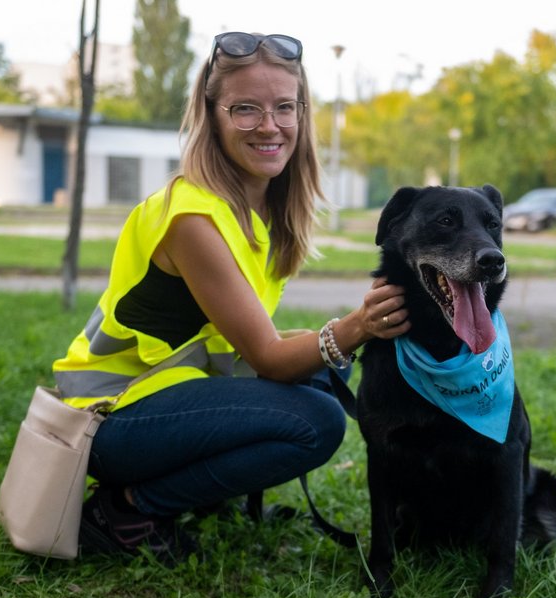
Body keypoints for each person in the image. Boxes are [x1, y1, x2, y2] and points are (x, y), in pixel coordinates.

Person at [52, 32, 409, 560]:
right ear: (212, 115)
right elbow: (266, 357)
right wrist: (356, 327)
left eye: (284, 107)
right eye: (245, 109)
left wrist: (331, 348)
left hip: (162, 400)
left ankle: (195, 494)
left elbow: (235, 343)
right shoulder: (194, 217)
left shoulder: (263, 209)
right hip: (106, 420)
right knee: (319, 420)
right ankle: (126, 508)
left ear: (301, 113)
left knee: (324, 373)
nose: (269, 126)